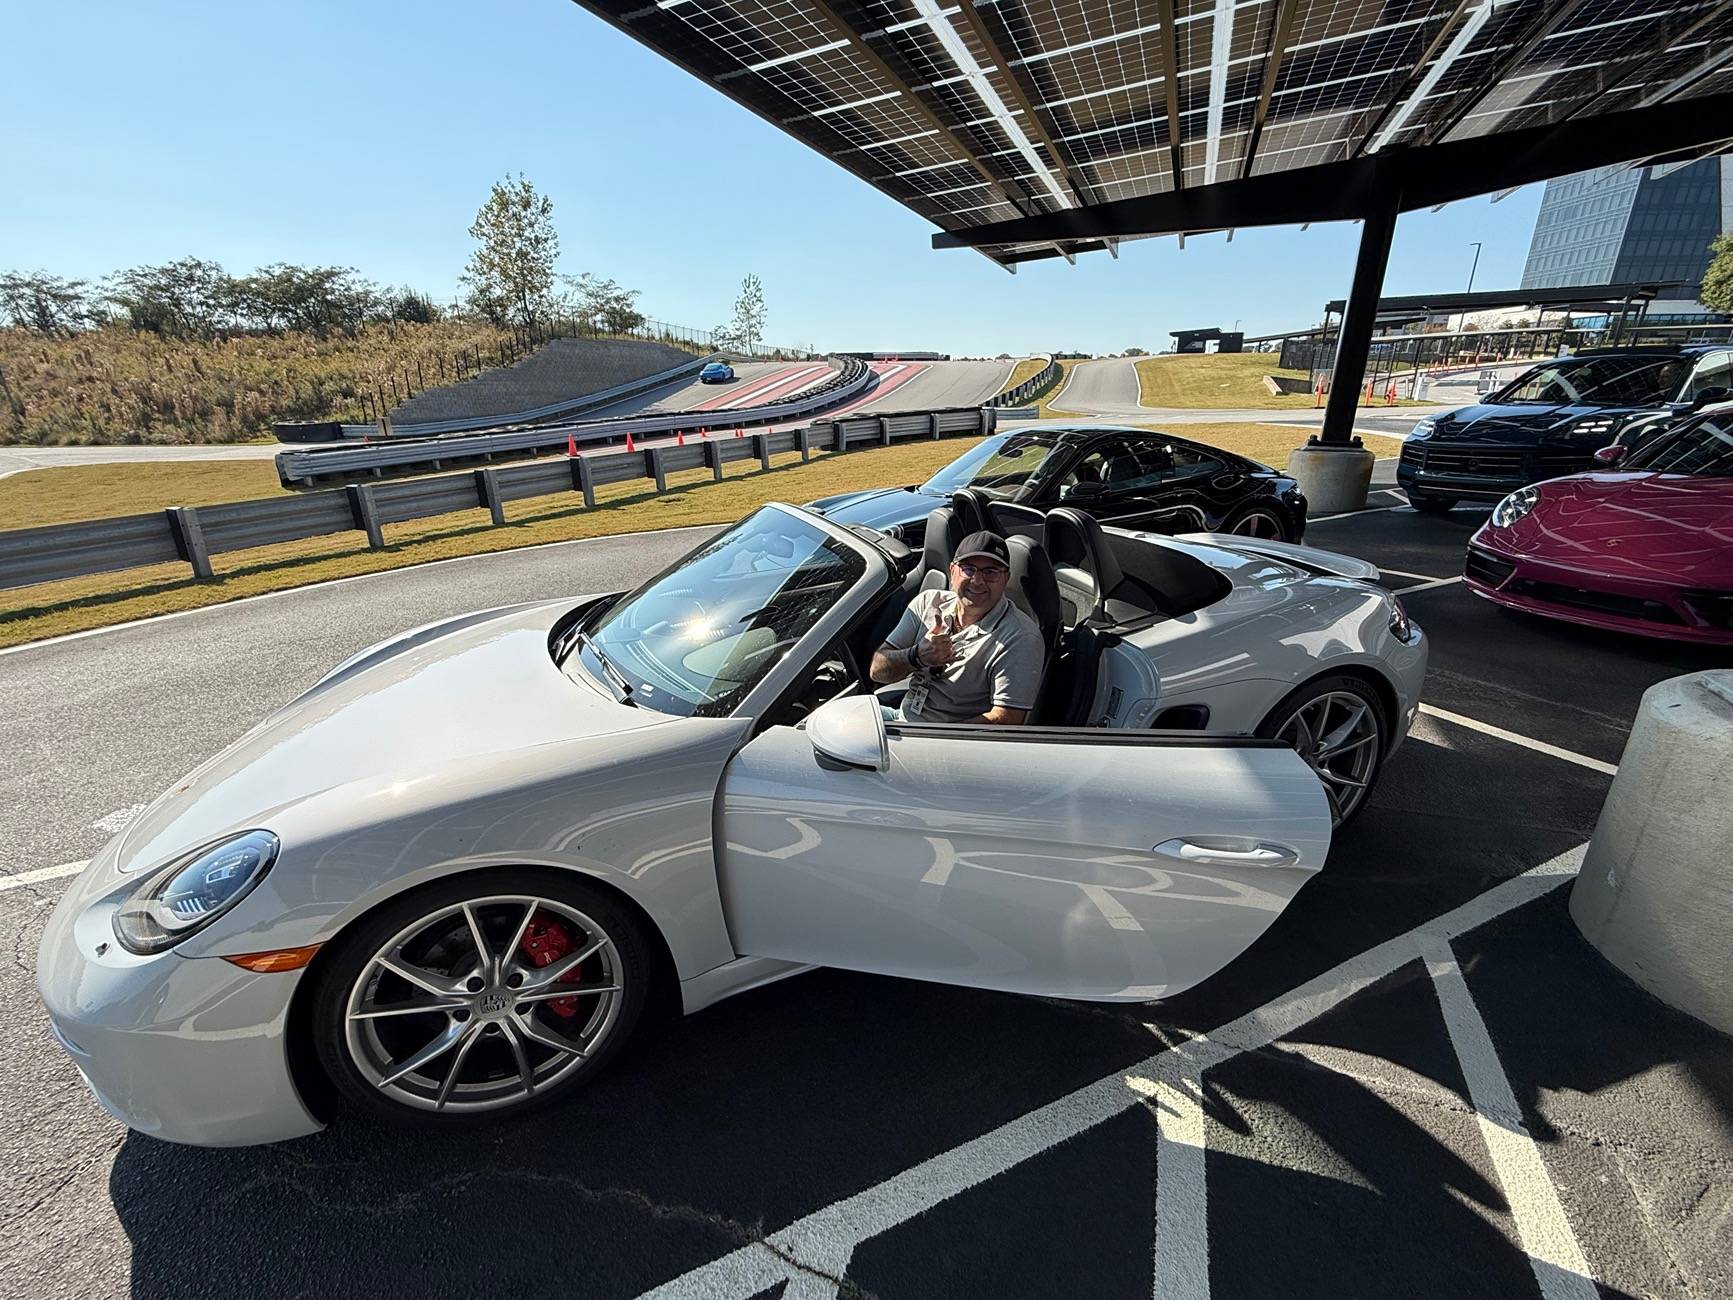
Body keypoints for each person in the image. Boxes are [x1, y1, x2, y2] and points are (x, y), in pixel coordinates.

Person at [869, 530, 1044, 725]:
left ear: (1006, 579)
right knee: (835, 720)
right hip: (902, 717)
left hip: (941, 743)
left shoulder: (1021, 637)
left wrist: (935, 740)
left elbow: (1006, 719)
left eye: (991, 572)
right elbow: (877, 671)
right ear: (952, 571)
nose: (977, 581)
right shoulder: (928, 602)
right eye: (969, 569)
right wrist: (915, 657)